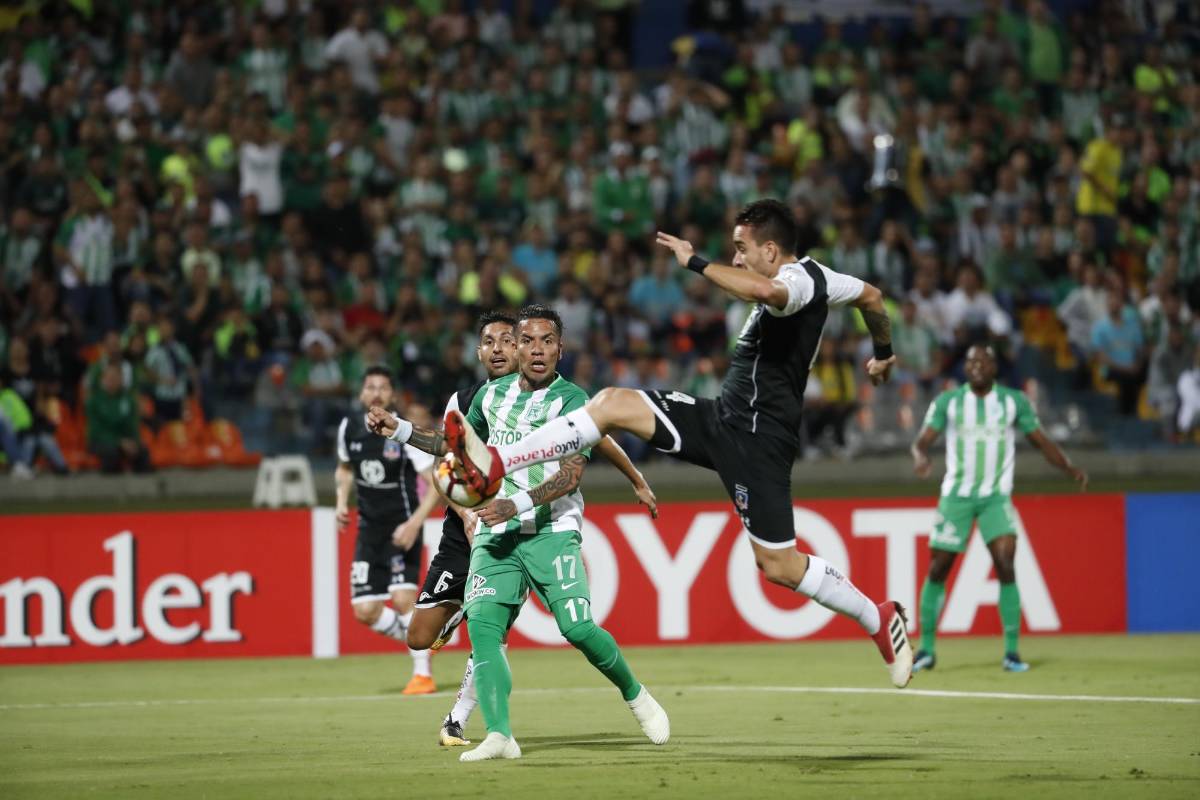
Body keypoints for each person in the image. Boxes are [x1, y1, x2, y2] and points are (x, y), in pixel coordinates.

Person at [375, 199, 915, 689]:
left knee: (778, 567)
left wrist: (696, 263)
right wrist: (884, 351)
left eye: (743, 249)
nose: (738, 257)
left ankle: (876, 616)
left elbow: (767, 291)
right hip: (722, 417)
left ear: (771, 250)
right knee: (612, 401)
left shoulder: (795, 283)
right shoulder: (831, 279)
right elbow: (873, 296)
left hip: (758, 444)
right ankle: (500, 459)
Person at [371, 304, 668, 762]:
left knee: (577, 627)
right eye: (527, 340)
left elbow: (570, 477)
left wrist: (519, 502)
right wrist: (400, 429)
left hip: (551, 529)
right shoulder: (490, 398)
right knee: (485, 630)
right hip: (498, 533)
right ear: (517, 346)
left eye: (546, 341)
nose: (536, 350)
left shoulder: (573, 401)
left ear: (560, 350)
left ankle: (636, 695)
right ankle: (500, 734)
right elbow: (454, 447)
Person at [910, 344, 1088, 673]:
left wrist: (1068, 467)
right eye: (970, 361)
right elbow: (923, 440)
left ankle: (1011, 653)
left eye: (983, 361)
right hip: (957, 497)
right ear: (965, 368)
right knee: (938, 568)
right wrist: (921, 456)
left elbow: (1041, 440)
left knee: (1006, 562)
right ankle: (927, 650)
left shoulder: (1013, 401)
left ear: (994, 367)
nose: (976, 366)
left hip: (996, 497)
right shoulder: (949, 402)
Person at [334, 367, 443, 695]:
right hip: (369, 530)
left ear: (393, 396)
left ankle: (422, 674)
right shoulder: (348, 428)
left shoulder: (402, 432)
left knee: (402, 599)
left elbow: (436, 484)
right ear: (361, 395)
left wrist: (414, 524)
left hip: (401, 529)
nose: (377, 393)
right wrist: (341, 501)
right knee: (365, 611)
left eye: (383, 387)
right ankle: (423, 639)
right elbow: (344, 469)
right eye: (371, 387)